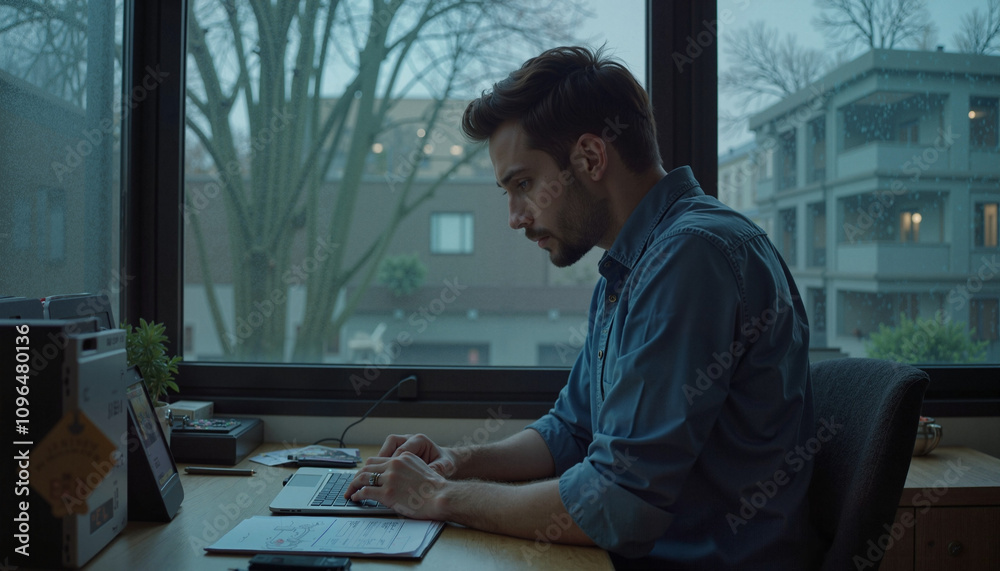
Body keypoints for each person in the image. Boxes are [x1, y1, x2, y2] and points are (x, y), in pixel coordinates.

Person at [344, 45, 819, 569]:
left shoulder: (691, 257)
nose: (514, 217)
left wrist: (436, 496)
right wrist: (455, 462)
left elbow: (616, 503)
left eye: (522, 184)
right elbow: (570, 431)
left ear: (590, 158)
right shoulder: (632, 266)